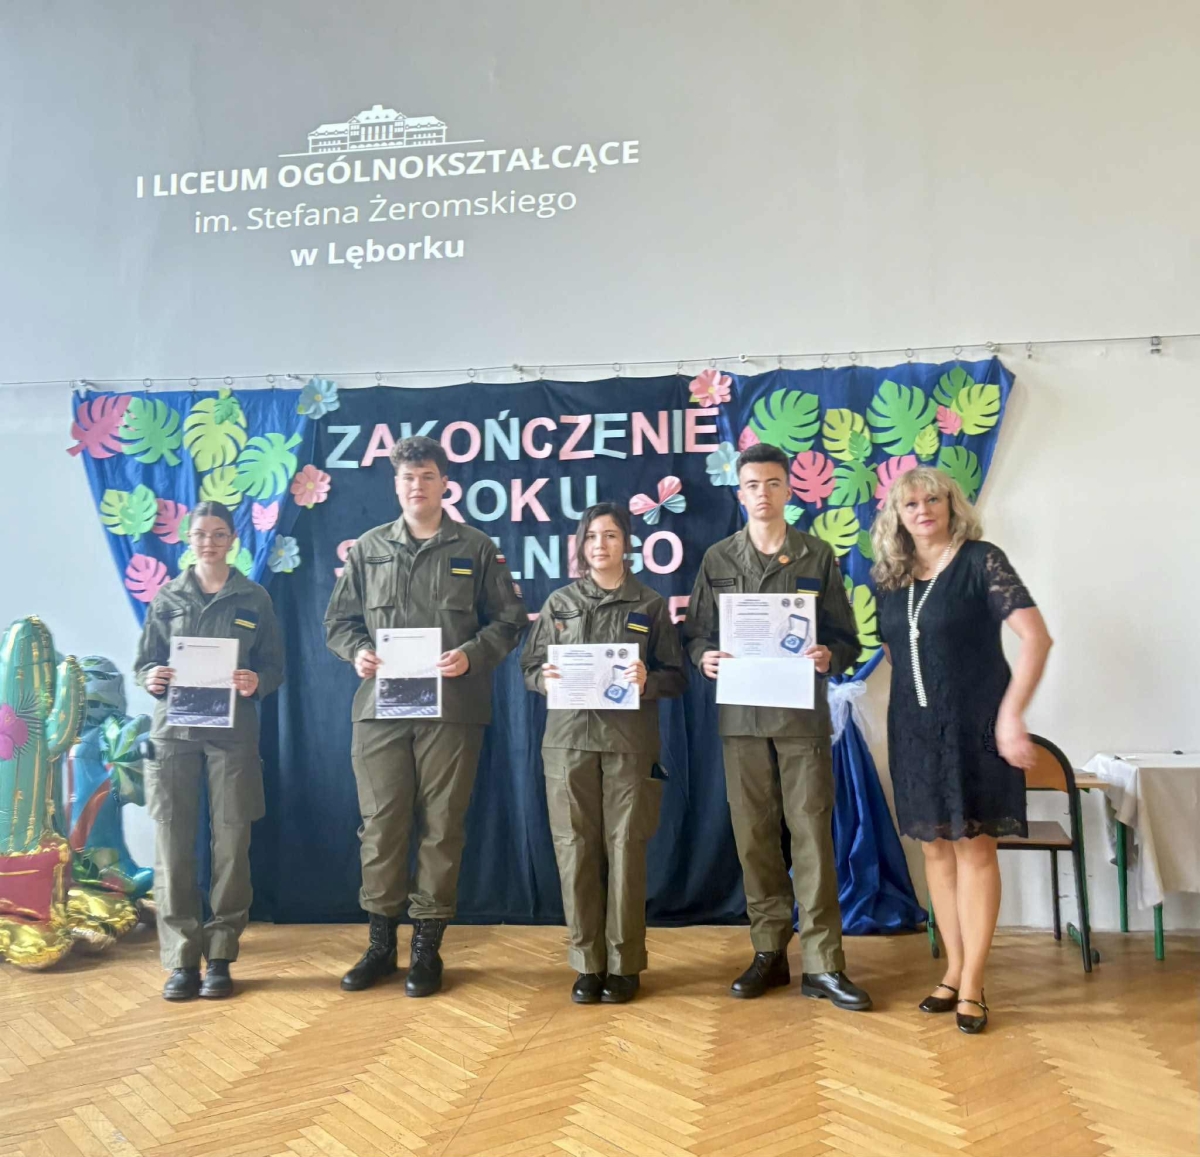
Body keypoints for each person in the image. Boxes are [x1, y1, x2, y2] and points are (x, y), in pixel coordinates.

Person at [324, 435, 528, 996]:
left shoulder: (477, 548)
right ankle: (379, 946)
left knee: (442, 825)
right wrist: (356, 652)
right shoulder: (368, 549)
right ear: (396, 485)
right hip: (381, 710)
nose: (417, 486)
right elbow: (338, 623)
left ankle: (426, 949)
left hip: (452, 709)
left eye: (428, 476)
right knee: (381, 824)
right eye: (408, 477)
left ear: (444, 484)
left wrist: (472, 655)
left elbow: (509, 620)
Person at [684, 444, 871, 1011]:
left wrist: (829, 655)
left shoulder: (817, 554)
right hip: (741, 718)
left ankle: (824, 963)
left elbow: (846, 638)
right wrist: (703, 658)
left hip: (800, 718)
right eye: (752, 485)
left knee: (811, 835)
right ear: (739, 493)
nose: (762, 494)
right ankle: (769, 950)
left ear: (789, 490)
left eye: (772, 483)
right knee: (754, 837)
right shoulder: (719, 558)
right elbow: (697, 634)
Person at [872, 466, 1052, 1034]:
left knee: (974, 851)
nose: (923, 510)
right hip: (914, 732)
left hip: (976, 728)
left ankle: (973, 982)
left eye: (933, 499)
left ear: (952, 505)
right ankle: (952, 969)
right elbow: (898, 655)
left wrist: (1011, 714)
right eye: (910, 504)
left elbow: (1036, 638)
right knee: (935, 852)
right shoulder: (890, 577)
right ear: (897, 516)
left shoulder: (980, 561)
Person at [521, 503, 686, 1004]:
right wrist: (544, 678)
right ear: (581, 545)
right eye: (592, 536)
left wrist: (647, 679)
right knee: (574, 851)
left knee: (626, 851)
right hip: (567, 743)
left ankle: (625, 963)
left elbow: (677, 677)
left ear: (626, 544)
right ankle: (587, 963)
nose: (600, 545)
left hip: (628, 745)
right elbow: (529, 667)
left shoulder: (649, 604)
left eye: (611, 535)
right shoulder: (559, 604)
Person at [135, 501, 285, 1001]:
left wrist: (256, 681)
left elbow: (275, 667)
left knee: (231, 844)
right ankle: (181, 960)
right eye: (201, 534)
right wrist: (151, 677)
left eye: (219, 534)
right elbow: (145, 663)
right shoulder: (167, 597)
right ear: (189, 539)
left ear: (233, 540)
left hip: (232, 733)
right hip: (174, 733)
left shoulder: (254, 598)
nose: (210, 542)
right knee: (172, 846)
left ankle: (220, 954)